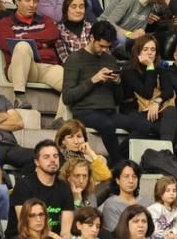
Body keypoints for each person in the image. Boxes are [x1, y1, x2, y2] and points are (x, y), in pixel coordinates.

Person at [62, 21, 152, 159]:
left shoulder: (110, 59)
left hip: (109, 111)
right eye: (101, 46)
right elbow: (67, 97)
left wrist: (117, 82)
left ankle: (115, 158)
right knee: (107, 125)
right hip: (85, 111)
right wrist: (94, 80)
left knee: (145, 127)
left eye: (108, 47)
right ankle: (118, 162)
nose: (104, 50)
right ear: (92, 38)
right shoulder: (75, 59)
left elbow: (118, 99)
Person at [0, 0, 66, 114]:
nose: (32, 5)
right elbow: (8, 44)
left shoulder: (46, 20)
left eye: (35, 1)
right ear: (17, 0)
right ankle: (20, 96)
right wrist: (42, 43)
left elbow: (54, 34)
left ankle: (61, 121)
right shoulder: (5, 23)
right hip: (19, 69)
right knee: (22, 47)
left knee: (72, 81)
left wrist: (26, 37)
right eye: (27, 0)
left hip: (46, 68)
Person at [8, 140, 73, 239]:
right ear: (37, 162)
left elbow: (65, 230)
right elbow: (26, 225)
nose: (52, 160)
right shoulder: (24, 185)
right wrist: (54, 237)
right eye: (46, 157)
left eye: (55, 156)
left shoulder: (64, 187)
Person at [120, 34, 177, 143]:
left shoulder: (160, 69)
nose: (150, 53)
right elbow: (146, 92)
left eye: (153, 49)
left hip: (154, 108)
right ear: (138, 52)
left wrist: (156, 102)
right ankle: (165, 153)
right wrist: (150, 67)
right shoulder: (129, 70)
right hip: (134, 111)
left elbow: (169, 91)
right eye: (145, 49)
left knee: (171, 111)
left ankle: (164, 153)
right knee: (174, 128)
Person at [100, 159, 149, 232]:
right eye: (126, 176)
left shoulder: (147, 202)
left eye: (134, 177)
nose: (131, 181)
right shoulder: (111, 204)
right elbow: (116, 233)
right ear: (117, 180)